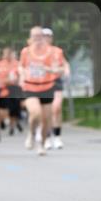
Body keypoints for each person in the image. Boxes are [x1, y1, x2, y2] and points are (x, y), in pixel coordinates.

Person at [19, 26, 64, 155]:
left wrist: (50, 70)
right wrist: (22, 75)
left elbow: (60, 69)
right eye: (35, 36)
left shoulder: (52, 52)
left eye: (40, 36)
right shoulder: (25, 52)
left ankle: (42, 144)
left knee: (46, 120)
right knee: (35, 112)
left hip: (47, 87)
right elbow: (21, 67)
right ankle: (31, 133)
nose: (38, 39)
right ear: (30, 38)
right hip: (30, 87)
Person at [42, 28, 70, 149]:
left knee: (56, 108)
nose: (47, 38)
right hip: (43, 83)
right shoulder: (37, 52)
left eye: (49, 36)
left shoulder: (57, 51)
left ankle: (57, 137)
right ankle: (47, 137)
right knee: (46, 112)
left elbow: (65, 64)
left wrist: (67, 71)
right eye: (44, 36)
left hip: (56, 81)